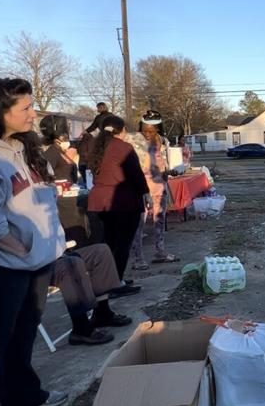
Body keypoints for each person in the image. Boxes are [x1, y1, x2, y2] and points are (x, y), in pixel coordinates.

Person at [0, 78, 68, 406]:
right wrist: (24, 249)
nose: (34, 114)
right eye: (26, 108)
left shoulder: (22, 146)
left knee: (21, 340)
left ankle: (24, 396)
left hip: (32, 264)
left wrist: (43, 249)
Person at [87, 114, 151, 283]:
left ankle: (105, 281)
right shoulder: (123, 148)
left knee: (108, 243)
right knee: (122, 244)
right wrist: (146, 193)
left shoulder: (96, 147)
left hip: (99, 202)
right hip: (122, 201)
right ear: (122, 130)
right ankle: (116, 281)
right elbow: (135, 174)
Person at [51, 243, 135, 345]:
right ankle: (80, 328)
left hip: (58, 255)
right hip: (37, 267)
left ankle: (102, 313)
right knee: (71, 264)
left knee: (101, 251)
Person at [128, 110, 177, 269]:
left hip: (159, 184)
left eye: (151, 130)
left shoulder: (163, 141)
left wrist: (170, 170)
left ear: (158, 128)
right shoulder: (132, 140)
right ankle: (138, 258)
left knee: (159, 220)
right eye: (145, 129)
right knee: (139, 223)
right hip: (141, 187)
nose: (148, 133)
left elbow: (162, 162)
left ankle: (160, 251)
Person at [40, 114, 79, 184]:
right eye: (64, 136)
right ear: (56, 139)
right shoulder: (52, 152)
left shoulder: (61, 151)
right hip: (59, 191)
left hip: (69, 190)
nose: (67, 137)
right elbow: (45, 174)